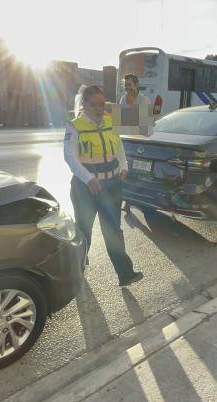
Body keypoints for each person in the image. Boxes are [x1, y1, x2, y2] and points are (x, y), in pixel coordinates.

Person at [64, 85, 143, 287]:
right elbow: (70, 157)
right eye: (94, 104)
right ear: (84, 104)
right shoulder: (75, 126)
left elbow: (119, 147)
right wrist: (88, 178)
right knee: (84, 231)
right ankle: (76, 270)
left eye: (102, 104)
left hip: (111, 185)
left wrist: (123, 166)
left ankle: (125, 274)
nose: (99, 108)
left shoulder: (111, 122)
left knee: (113, 230)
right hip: (86, 188)